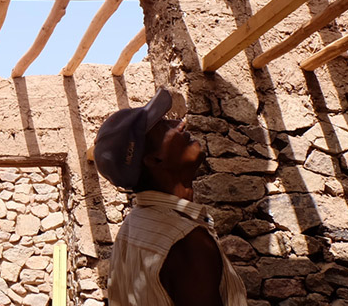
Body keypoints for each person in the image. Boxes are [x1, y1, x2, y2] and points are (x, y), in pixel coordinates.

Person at [94, 88, 247, 306]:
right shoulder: (185, 241)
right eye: (165, 126)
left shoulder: (134, 225)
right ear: (155, 160)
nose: (180, 124)